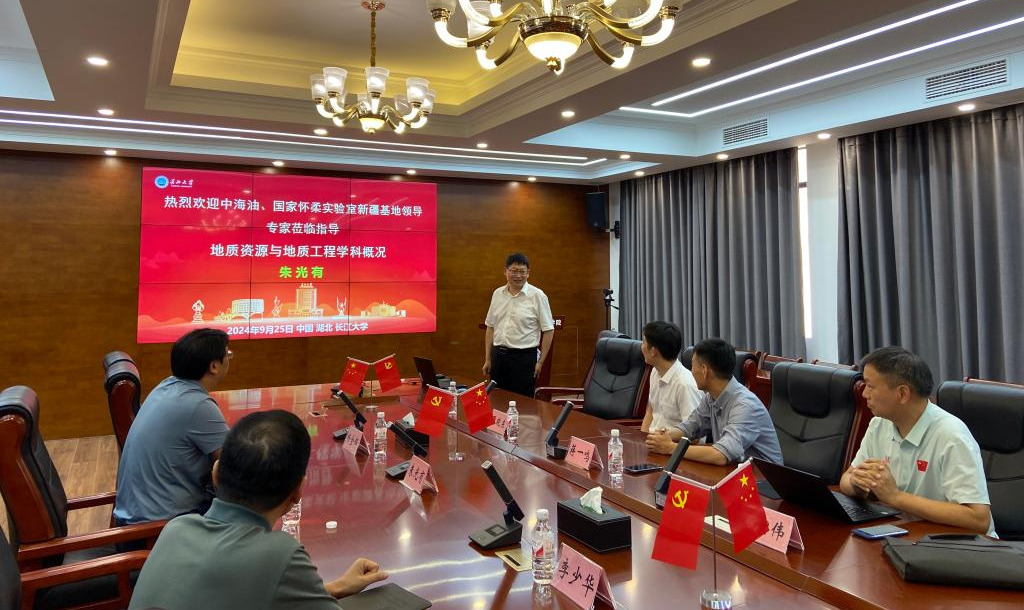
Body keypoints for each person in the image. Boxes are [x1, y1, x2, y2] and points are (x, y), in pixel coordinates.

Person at [129, 410, 388, 609]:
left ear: (216, 473)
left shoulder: (176, 529)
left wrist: (334, 588)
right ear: (298, 492)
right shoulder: (280, 556)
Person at [839, 347, 994, 536]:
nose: (864, 394)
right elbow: (845, 480)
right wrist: (857, 484)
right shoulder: (879, 424)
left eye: (870, 386)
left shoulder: (952, 436)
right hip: (907, 533)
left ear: (902, 394)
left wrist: (896, 497)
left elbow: (979, 520)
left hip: (959, 544)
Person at [113, 328, 231, 525]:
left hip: (135, 518)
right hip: (157, 530)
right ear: (214, 366)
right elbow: (232, 463)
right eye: (227, 354)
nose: (229, 358)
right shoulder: (197, 405)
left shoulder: (167, 386)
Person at [645, 338, 783, 465]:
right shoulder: (711, 396)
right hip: (736, 472)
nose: (691, 372)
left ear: (704, 370)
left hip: (763, 480)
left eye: (692, 366)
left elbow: (721, 455)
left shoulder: (745, 406)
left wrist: (670, 448)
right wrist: (662, 437)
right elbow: (690, 427)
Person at [482, 252, 555, 398]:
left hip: (524, 359)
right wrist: (488, 359)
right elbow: (490, 327)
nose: (518, 275)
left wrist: (540, 362)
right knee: (497, 400)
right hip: (498, 357)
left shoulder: (538, 296)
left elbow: (548, 330)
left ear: (528, 273)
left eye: (522, 271)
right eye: (514, 271)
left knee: (522, 403)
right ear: (505, 271)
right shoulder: (497, 294)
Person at [639, 321, 702, 432]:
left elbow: (696, 433)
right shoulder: (655, 371)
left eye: (643, 342)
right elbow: (650, 411)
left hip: (672, 442)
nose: (641, 346)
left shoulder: (685, 384)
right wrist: (642, 438)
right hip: (653, 440)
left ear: (653, 351)